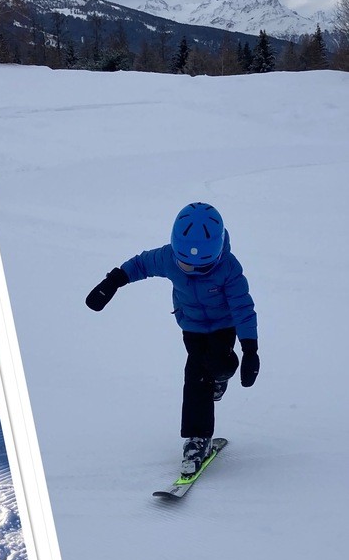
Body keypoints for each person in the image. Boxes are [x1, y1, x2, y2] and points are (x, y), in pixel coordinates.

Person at [86, 202, 259, 477]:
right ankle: (196, 440)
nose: (188, 269)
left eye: (198, 267)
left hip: (224, 327)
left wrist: (250, 349)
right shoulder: (167, 258)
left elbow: (242, 307)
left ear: (215, 256)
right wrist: (112, 282)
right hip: (191, 328)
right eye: (183, 263)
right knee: (196, 376)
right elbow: (140, 264)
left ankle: (220, 378)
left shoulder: (229, 268)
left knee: (219, 365)